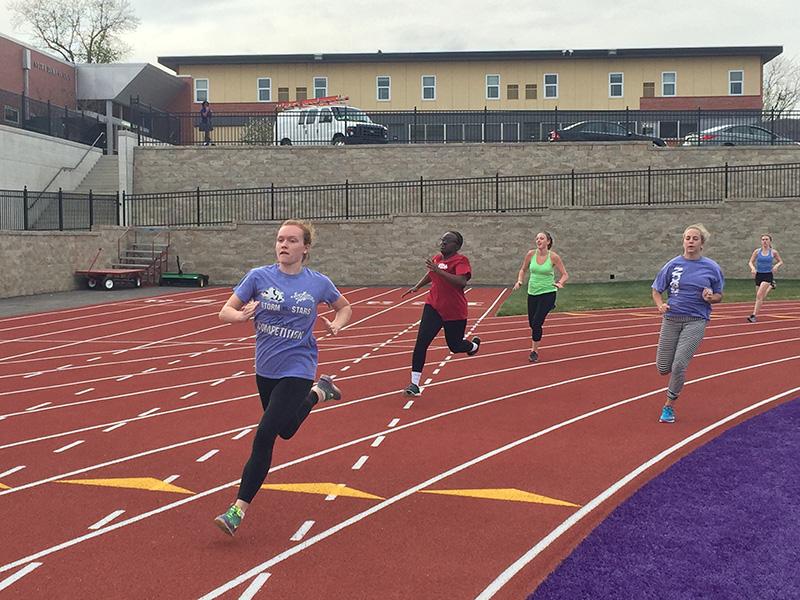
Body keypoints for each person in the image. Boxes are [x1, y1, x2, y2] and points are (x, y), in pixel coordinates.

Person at [213, 219, 352, 536]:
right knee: (286, 429)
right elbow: (225, 311)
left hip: (299, 366)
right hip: (266, 368)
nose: (283, 245)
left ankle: (237, 510)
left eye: (291, 240)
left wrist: (337, 323)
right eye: (279, 240)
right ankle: (320, 392)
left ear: (306, 248)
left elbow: (345, 307)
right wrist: (240, 316)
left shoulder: (317, 283)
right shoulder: (258, 277)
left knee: (265, 435)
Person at [651, 224, 724, 424]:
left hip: (696, 320)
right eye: (687, 238)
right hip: (672, 318)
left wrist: (711, 297)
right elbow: (657, 289)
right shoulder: (672, 265)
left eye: (695, 238)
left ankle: (668, 406)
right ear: (683, 241)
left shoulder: (712, 268)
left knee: (679, 364)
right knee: (663, 367)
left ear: (702, 244)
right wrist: (660, 305)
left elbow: (719, 295)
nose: (690, 241)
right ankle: (672, 385)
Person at [400, 231, 481, 396]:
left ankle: (473, 346)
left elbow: (461, 282)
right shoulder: (437, 258)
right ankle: (414, 384)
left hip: (454, 311)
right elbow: (431, 274)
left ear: (456, 246)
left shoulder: (461, 260)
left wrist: (439, 271)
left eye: (447, 241)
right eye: (442, 240)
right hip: (433, 307)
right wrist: (418, 286)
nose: (443, 243)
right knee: (421, 342)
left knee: (455, 346)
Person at [513, 231, 568, 362]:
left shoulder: (553, 257)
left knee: (537, 323)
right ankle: (549, 306)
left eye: (541, 238)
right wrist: (520, 280)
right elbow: (523, 269)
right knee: (532, 324)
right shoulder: (531, 254)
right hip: (532, 292)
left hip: (548, 292)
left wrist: (560, 283)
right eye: (537, 238)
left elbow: (565, 274)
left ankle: (534, 351)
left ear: (548, 242)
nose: (538, 241)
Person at [746, 233, 784, 323]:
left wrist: (776, 266)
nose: (765, 241)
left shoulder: (773, 252)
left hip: (768, 275)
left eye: (766, 239)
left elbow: (781, 261)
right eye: (763, 239)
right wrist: (753, 268)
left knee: (759, 295)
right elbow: (750, 262)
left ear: (770, 241)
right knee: (760, 297)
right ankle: (771, 286)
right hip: (758, 275)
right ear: (761, 241)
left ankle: (753, 316)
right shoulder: (757, 251)